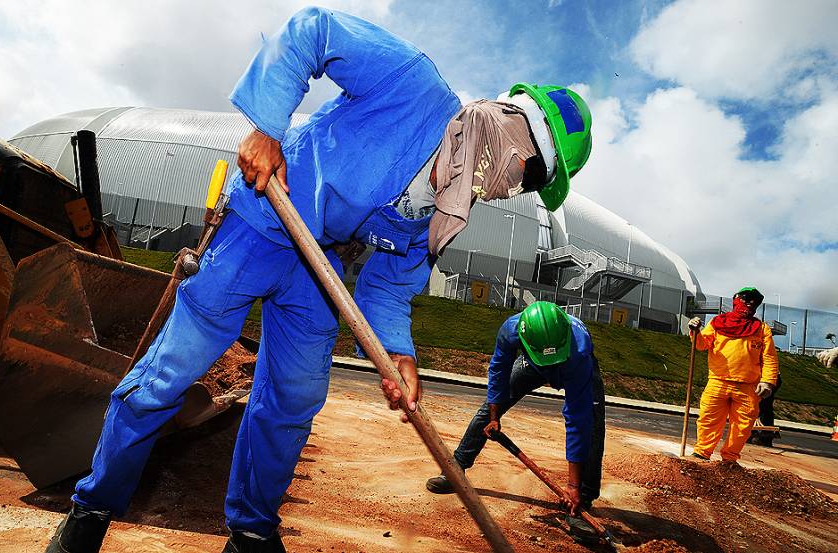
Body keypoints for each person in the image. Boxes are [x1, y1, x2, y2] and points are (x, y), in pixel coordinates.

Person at [45, 7, 593, 553]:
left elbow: (388, 286)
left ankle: (252, 528)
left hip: (318, 268)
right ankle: (92, 508)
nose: (513, 188)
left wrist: (397, 352)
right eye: (532, 177)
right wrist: (266, 129)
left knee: (295, 397)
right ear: (520, 138)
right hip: (263, 222)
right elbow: (315, 29)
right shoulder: (413, 84)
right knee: (172, 372)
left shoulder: (444, 212)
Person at [425, 302, 605, 528]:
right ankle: (455, 468)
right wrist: (494, 414)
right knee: (489, 407)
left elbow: (578, 420)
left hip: (569, 363)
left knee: (592, 423)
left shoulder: (579, 350)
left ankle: (581, 502)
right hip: (534, 362)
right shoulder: (512, 329)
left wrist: (573, 486)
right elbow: (499, 369)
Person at [688, 287, 779, 464]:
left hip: (748, 386)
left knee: (743, 426)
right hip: (718, 381)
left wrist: (768, 381)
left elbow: (769, 358)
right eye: (746, 299)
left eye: (755, 301)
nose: (750, 303)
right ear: (736, 299)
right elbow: (701, 345)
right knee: (709, 419)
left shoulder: (761, 329)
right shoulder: (717, 323)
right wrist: (695, 331)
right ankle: (702, 453)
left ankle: (729, 459)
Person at [748, 373, 782, 447]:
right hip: (767, 377)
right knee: (766, 406)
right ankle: (764, 437)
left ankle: (760, 436)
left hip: (766, 378)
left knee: (763, 403)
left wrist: (756, 414)